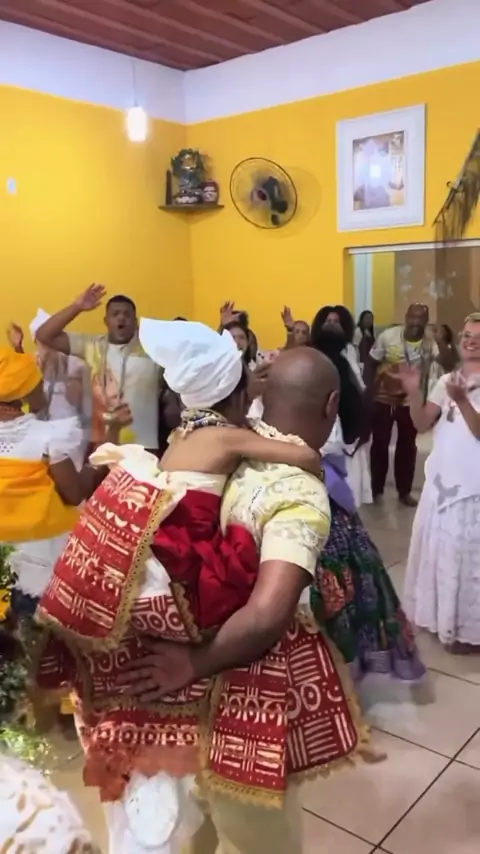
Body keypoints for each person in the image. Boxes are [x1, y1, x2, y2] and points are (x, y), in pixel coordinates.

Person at [36, 325, 362, 854]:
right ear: (332, 404)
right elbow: (267, 614)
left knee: (191, 826)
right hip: (236, 686)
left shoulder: (202, 435)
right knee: (259, 841)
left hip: (169, 685)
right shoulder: (292, 486)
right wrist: (194, 662)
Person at [307, 321, 425, 681]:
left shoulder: (331, 411)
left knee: (339, 580)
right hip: (314, 496)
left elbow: (332, 446)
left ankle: (340, 661)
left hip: (324, 499)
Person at [402, 313, 480, 652]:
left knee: (467, 554)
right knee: (442, 551)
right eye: (467, 335)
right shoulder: (447, 379)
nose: (471, 341)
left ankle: (468, 629)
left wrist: (462, 400)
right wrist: (412, 393)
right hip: (443, 479)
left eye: (478, 337)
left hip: (473, 483)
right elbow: (421, 423)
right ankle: (441, 618)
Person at [35, 284, 161, 455]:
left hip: (143, 447)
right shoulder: (91, 345)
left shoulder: (152, 350)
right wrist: (77, 307)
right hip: (101, 445)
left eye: (127, 315)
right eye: (115, 314)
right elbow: (44, 335)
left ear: (136, 322)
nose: (121, 318)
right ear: (106, 321)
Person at [366, 303, 455, 507]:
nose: (416, 322)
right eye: (413, 317)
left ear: (426, 321)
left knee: (407, 446)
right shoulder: (388, 337)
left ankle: (404, 491)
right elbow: (371, 362)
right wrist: (369, 391)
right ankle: (376, 489)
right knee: (379, 444)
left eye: (421, 318)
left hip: (411, 401)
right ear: (406, 317)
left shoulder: (430, 342)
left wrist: (441, 341)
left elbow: (449, 365)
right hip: (384, 399)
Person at [8, 310, 88, 469]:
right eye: (42, 343)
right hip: (39, 428)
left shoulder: (75, 364)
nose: (47, 347)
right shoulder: (33, 363)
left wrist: (63, 374)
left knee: (68, 471)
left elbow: (81, 402)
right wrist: (18, 348)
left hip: (69, 430)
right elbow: (23, 385)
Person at [311, 306, 372, 506]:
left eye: (336, 322)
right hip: (322, 428)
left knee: (348, 491)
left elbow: (358, 385)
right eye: (328, 321)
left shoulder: (350, 351)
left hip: (349, 426)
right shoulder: (312, 352)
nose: (331, 325)